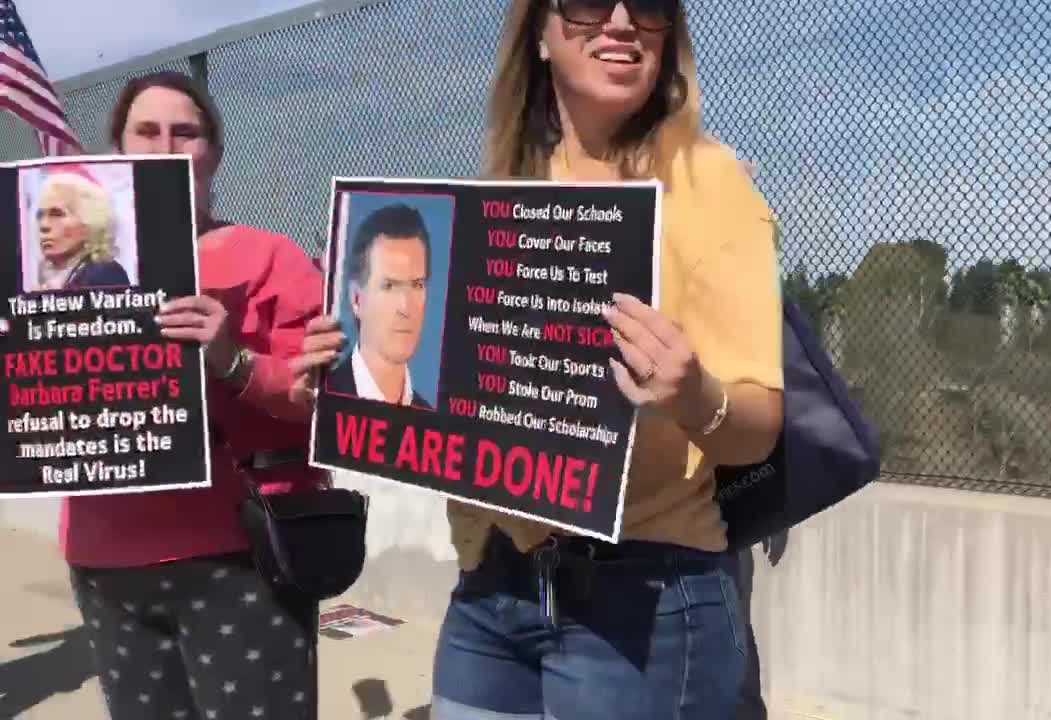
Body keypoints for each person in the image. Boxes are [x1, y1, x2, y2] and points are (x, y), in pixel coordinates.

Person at [295, 1, 785, 717]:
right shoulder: (499, 192)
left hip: (644, 594)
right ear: (542, 34)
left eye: (647, 4)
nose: (621, 21)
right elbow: (455, 407)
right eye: (588, 2)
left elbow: (758, 427)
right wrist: (344, 377)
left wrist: (690, 390)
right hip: (493, 586)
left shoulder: (711, 183)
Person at [60, 70, 327, 720]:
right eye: (145, 132)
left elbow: (319, 403)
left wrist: (233, 358)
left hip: (241, 561)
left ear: (214, 150)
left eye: (186, 131)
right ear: (117, 152)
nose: (166, 146)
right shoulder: (65, 276)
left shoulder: (270, 258)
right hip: (106, 564)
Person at [325, 202, 434, 409]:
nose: (405, 307)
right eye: (389, 286)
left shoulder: (433, 422)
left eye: (417, 285)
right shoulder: (322, 397)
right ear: (357, 299)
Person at [33, 169, 130, 291]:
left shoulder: (105, 274)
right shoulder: (50, 278)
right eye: (40, 216)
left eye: (57, 214)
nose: (44, 225)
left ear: (90, 224)